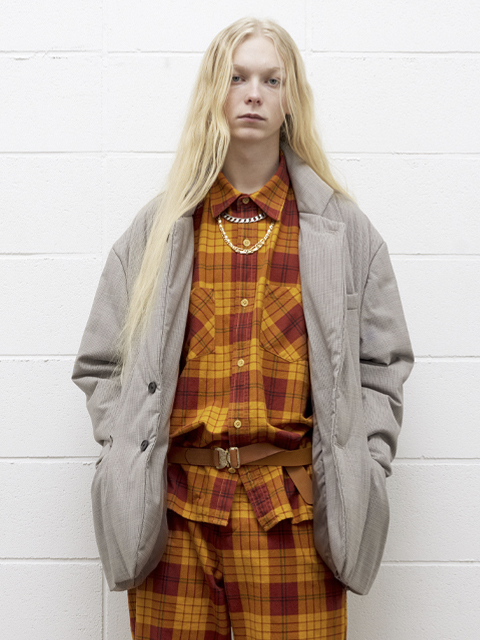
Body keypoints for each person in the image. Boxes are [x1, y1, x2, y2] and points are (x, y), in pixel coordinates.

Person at [71, 16, 414, 640]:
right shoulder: (157, 231)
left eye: (270, 80)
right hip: (173, 524)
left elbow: (382, 366)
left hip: (294, 523)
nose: (253, 93)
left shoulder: (344, 233)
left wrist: (362, 463)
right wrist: (125, 450)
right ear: (214, 91)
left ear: (290, 99)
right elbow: (102, 363)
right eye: (236, 78)